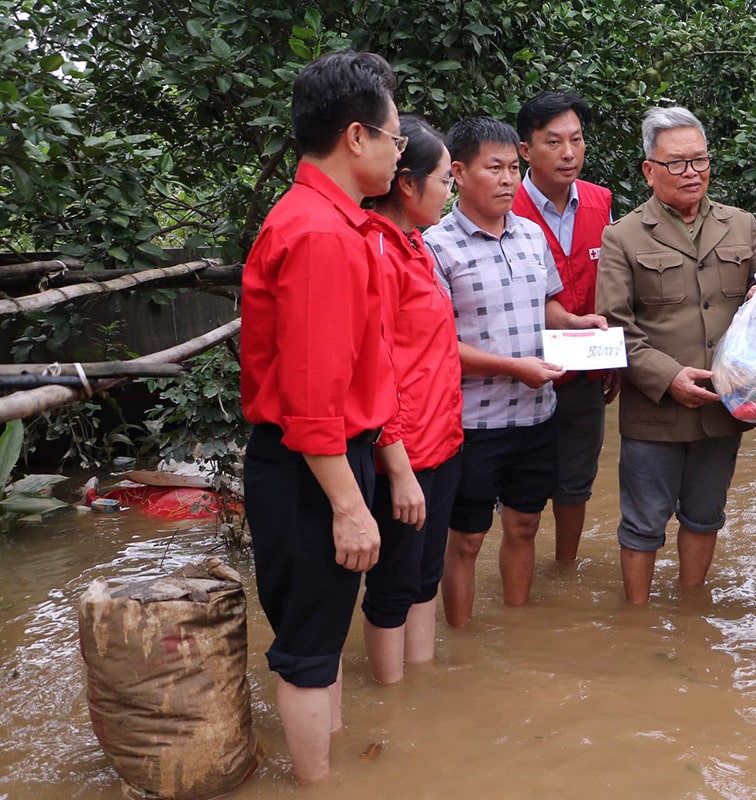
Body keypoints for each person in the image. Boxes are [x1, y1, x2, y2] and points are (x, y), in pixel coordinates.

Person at [240, 51, 409, 783]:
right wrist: (348, 505)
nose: (400, 153)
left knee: (321, 633)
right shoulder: (321, 235)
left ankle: (329, 772)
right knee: (309, 651)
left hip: (323, 458)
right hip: (314, 465)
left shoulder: (330, 222)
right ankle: (316, 787)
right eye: (395, 138)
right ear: (356, 136)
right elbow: (312, 399)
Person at [424, 116, 606, 627]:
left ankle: (517, 629)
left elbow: (545, 306)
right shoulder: (435, 247)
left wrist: (577, 323)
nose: (507, 180)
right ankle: (461, 638)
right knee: (466, 539)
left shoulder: (531, 234)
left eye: (511, 168)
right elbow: (437, 344)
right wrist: (512, 367)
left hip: (536, 415)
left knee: (525, 525)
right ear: (459, 173)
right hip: (473, 423)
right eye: (494, 168)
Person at [596, 106, 756, 604]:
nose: (691, 172)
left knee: (705, 516)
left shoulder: (741, 226)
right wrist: (670, 377)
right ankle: (637, 621)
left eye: (699, 160)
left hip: (724, 405)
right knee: (642, 524)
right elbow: (615, 327)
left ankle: (691, 610)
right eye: (676, 163)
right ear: (649, 170)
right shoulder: (623, 236)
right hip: (655, 412)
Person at [361, 116, 463, 682]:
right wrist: (398, 468)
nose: (450, 191)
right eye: (445, 180)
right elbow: (374, 369)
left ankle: (419, 694)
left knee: (425, 575)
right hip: (403, 454)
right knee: (394, 582)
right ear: (407, 183)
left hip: (441, 441)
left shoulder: (415, 244)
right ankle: (390, 696)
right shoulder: (376, 251)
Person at [513, 91, 619, 564]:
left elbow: (613, 285)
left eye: (576, 140)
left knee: (576, 484)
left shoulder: (601, 202)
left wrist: (615, 358)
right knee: (521, 493)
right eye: (554, 142)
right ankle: (520, 569)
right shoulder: (504, 205)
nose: (568, 153)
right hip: (522, 371)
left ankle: (564, 571)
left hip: (586, 371)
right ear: (525, 149)